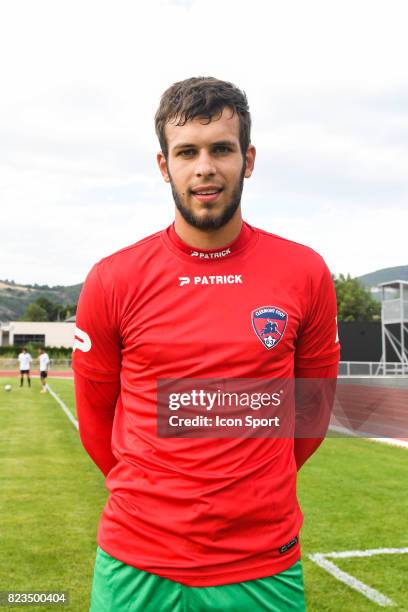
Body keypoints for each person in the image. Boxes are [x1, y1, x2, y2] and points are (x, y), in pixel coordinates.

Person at [73, 77, 340, 611]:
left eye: (221, 148)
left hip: (263, 561)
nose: (204, 168)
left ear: (249, 158)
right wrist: (156, 501)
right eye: (186, 152)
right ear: (163, 164)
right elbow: (96, 420)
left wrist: (251, 493)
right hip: (138, 563)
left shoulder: (304, 272)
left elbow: (310, 417)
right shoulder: (113, 279)